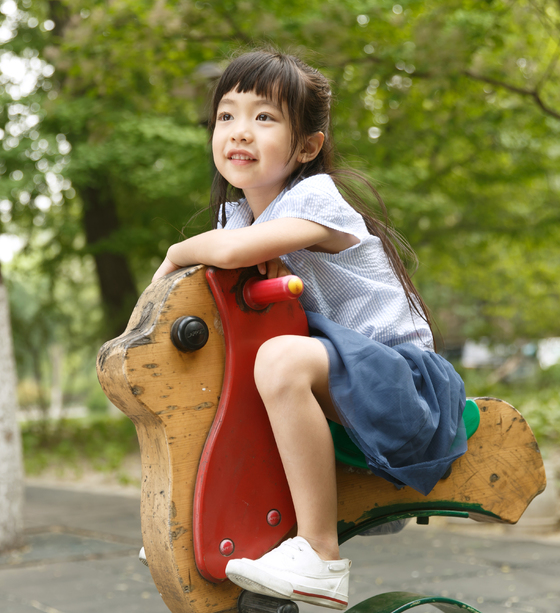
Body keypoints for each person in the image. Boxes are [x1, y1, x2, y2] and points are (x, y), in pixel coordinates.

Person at [152, 49, 467, 610]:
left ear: (307, 147)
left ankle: (320, 556)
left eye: (264, 117)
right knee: (227, 376)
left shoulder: (314, 199)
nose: (239, 131)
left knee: (275, 359)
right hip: (342, 382)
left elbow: (220, 253)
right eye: (227, 116)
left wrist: (175, 251)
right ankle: (201, 520)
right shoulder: (242, 219)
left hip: (406, 386)